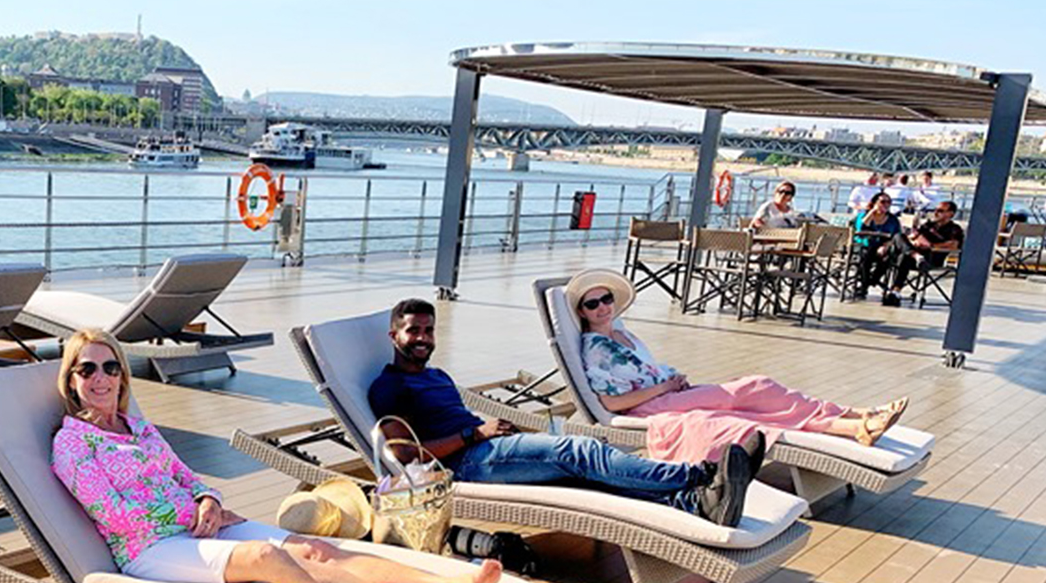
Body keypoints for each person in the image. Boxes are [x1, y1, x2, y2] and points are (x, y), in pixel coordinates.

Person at [51, 328, 501, 583]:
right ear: (71, 381)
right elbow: (114, 515)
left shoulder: (140, 429)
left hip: (202, 524)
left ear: (122, 376)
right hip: (151, 548)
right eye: (87, 369)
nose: (101, 378)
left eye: (110, 368)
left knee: (316, 548)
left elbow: (186, 476)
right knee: (268, 556)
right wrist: (196, 511)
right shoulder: (72, 444)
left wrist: (208, 497)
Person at [368, 299, 760, 528]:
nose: (422, 339)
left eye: (428, 331)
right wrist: (475, 435)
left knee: (586, 472)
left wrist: (495, 431)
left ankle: (697, 506)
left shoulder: (437, 375)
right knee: (580, 453)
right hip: (464, 464)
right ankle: (700, 474)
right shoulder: (388, 388)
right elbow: (403, 458)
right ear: (394, 336)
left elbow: (453, 419)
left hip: (486, 446)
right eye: (413, 332)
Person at [571, 270, 908, 462]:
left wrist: (672, 380)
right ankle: (853, 419)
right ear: (582, 312)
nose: (602, 307)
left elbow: (647, 371)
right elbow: (611, 405)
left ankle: (854, 422)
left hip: (668, 393)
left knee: (756, 400)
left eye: (607, 299)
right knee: (754, 389)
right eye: (592, 303)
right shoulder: (596, 348)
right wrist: (665, 388)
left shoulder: (620, 333)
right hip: (649, 407)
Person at [881, 200, 964, 306]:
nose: (936, 213)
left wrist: (931, 246)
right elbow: (915, 237)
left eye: (940, 211)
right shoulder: (929, 224)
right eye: (935, 210)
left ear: (950, 214)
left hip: (932, 258)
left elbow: (954, 245)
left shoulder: (954, 229)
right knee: (899, 238)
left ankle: (895, 291)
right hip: (917, 257)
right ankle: (896, 291)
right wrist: (914, 240)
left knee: (903, 255)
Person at [854, 191, 903, 298]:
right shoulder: (864, 215)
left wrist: (886, 246)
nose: (886, 205)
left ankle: (871, 280)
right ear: (874, 203)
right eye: (882, 202)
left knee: (887, 258)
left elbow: (897, 236)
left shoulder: (892, 219)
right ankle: (864, 287)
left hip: (883, 246)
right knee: (867, 256)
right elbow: (860, 230)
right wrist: (872, 212)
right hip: (864, 245)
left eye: (888, 202)